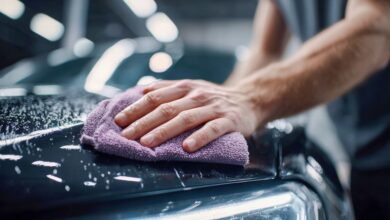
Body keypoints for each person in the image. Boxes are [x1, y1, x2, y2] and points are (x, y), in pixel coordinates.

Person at [114, 0, 390, 219]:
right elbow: (264, 52)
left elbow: (377, 27)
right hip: (362, 157)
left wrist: (250, 99)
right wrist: (213, 117)